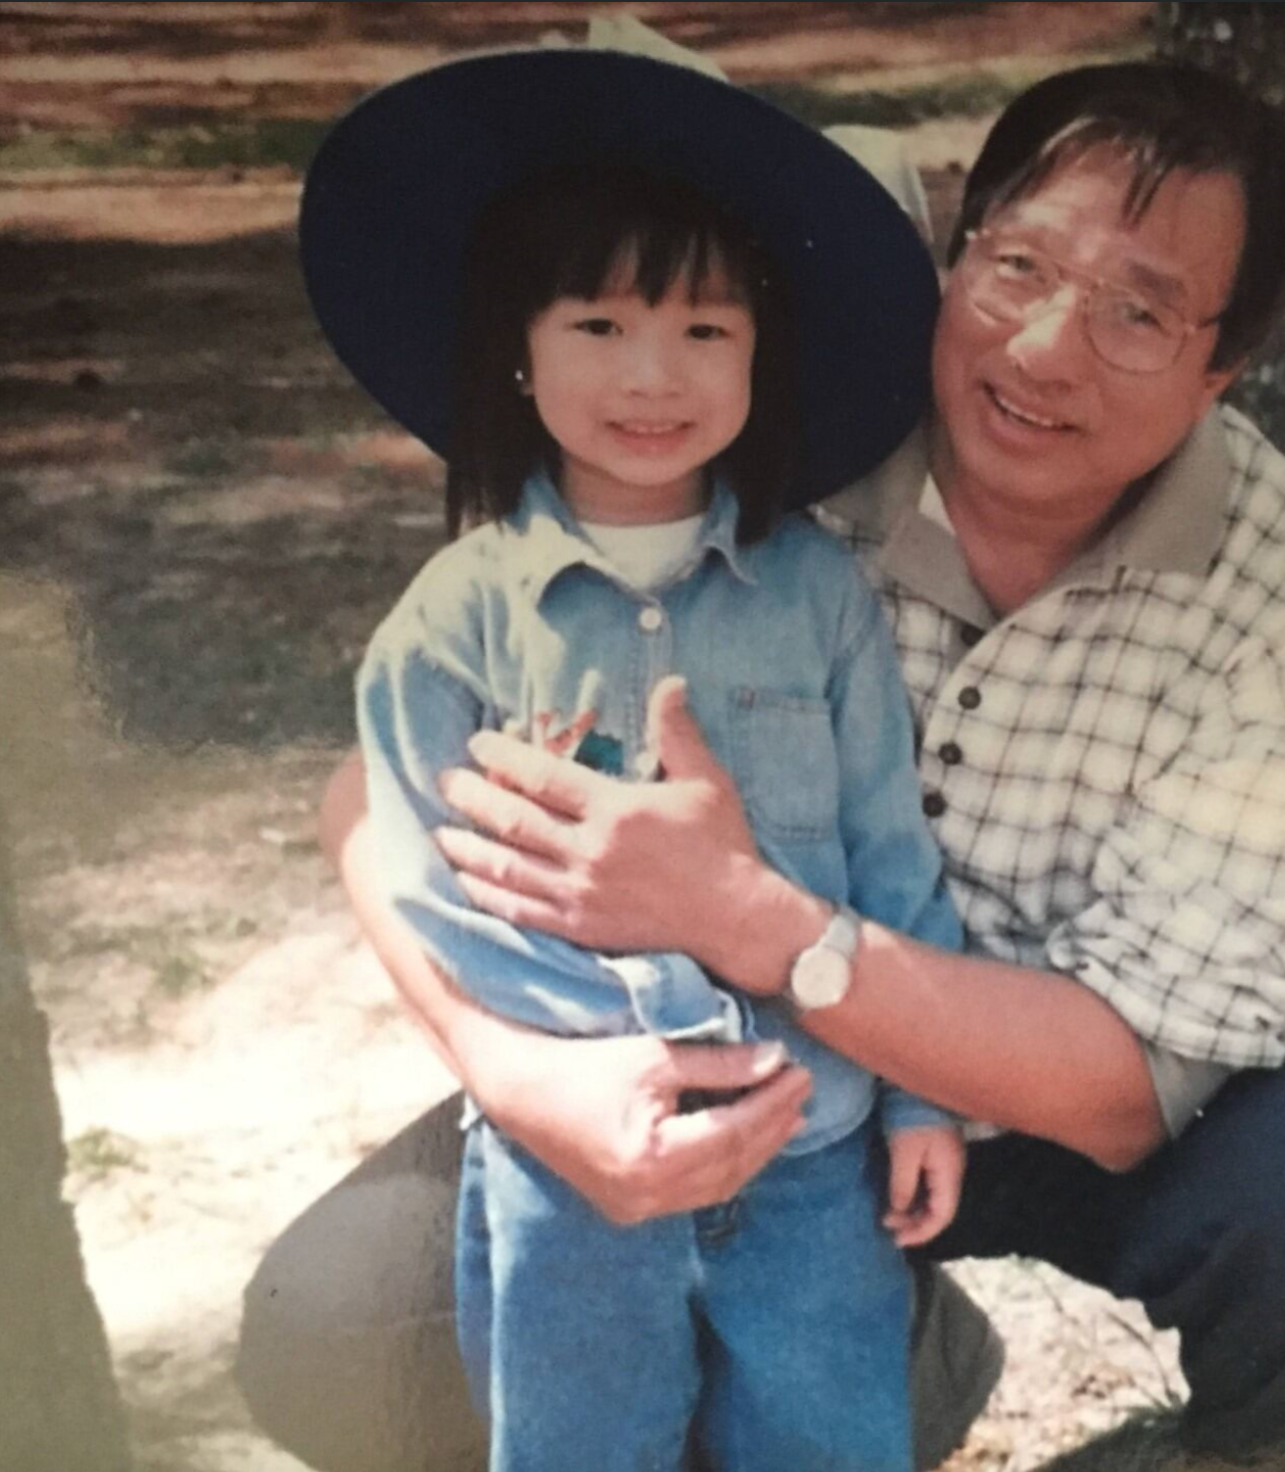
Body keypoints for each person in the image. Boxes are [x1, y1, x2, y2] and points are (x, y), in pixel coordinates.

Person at [240, 54, 1285, 1472]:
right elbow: (376, 791)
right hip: (736, 1076)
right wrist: (518, 1074)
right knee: (337, 1337)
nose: (1041, 350)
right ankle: (900, 1361)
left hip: (1085, 1076)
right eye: (1016, 267)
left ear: (1227, 363)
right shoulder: (754, 414)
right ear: (952, 250)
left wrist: (747, 915)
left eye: (1138, 310)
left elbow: (1125, 1084)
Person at [298, 46, 972, 1472]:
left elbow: (884, 851)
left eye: (705, 331)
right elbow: (424, 890)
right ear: (516, 348)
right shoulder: (454, 624)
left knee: (827, 1443)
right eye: (599, 325)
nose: (652, 377)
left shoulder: (817, 600)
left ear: (760, 355)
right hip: (576, 1165)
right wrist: (570, 1074)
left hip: (809, 1154)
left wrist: (918, 1098)